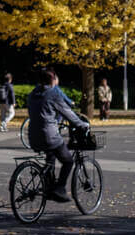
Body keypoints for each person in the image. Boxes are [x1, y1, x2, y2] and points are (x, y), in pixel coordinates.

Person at [27, 68, 90, 202]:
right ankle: (60, 189)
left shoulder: (32, 94)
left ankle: (48, 188)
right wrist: (82, 124)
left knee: (51, 158)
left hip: (33, 136)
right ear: (53, 79)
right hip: (49, 136)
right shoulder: (53, 94)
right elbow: (68, 113)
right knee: (68, 161)